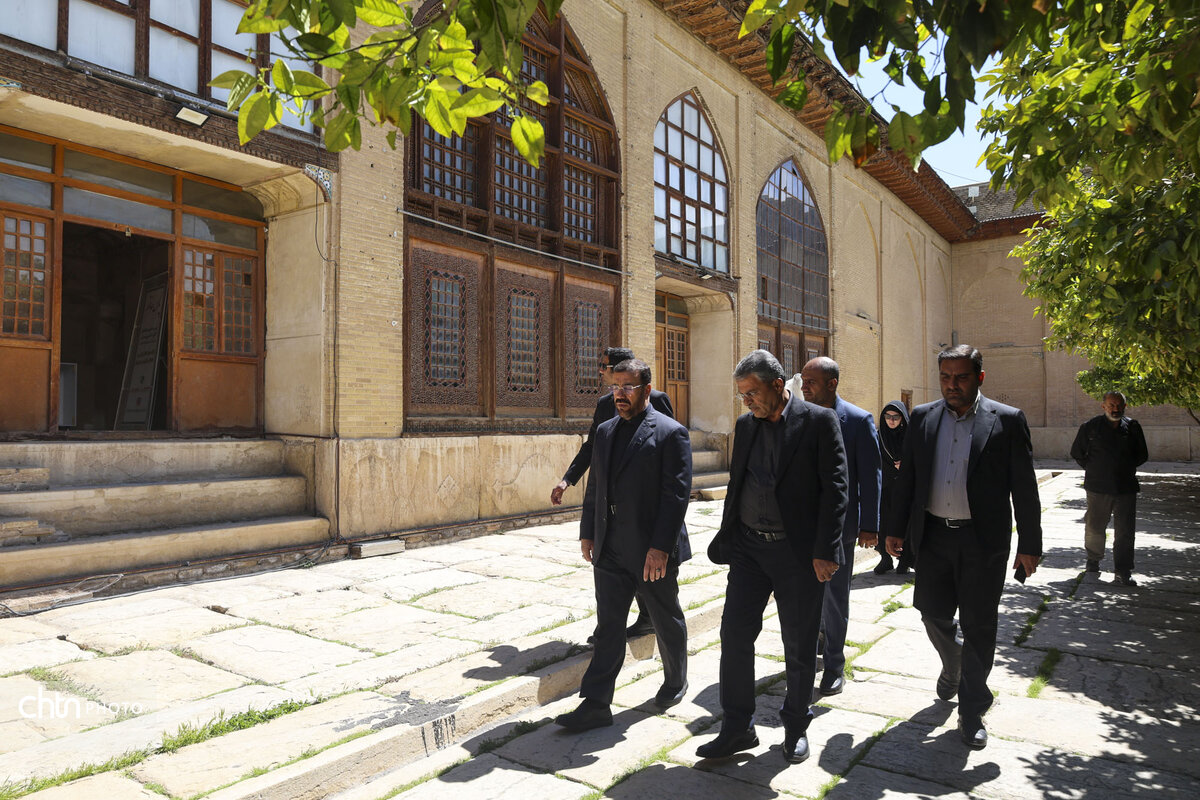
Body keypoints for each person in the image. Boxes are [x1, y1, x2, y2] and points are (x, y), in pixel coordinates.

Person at [886, 344, 1042, 750]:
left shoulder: (1007, 421)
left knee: (979, 626)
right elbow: (908, 479)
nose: (951, 385)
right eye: (945, 377)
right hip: (934, 537)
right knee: (931, 613)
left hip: (982, 542)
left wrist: (1030, 543)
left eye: (961, 377)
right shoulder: (923, 418)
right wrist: (895, 528)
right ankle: (953, 661)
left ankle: (972, 710)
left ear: (980, 377)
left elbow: (1024, 487)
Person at [697, 350, 848, 764]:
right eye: (741, 395)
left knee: (798, 644)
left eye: (752, 393)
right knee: (735, 635)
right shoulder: (746, 425)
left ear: (778, 385)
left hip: (797, 554)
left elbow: (836, 490)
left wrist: (825, 550)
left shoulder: (819, 422)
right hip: (749, 550)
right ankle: (737, 727)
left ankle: (796, 725)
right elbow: (738, 481)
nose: (746, 401)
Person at [555, 358, 693, 732]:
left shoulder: (671, 433)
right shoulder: (605, 431)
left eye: (628, 387)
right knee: (609, 624)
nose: (619, 394)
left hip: (650, 549)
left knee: (664, 616)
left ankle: (676, 679)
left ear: (646, 390)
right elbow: (595, 487)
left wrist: (660, 547)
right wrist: (588, 532)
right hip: (610, 545)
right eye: (615, 386)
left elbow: (676, 496)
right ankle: (596, 703)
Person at [551, 346, 675, 639]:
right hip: (613, 505)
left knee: (651, 577)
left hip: (646, 503)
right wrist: (568, 480)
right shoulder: (605, 404)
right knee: (612, 574)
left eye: (604, 366)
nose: (600, 371)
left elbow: (670, 445)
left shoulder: (656, 399)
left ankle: (651, 621)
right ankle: (608, 631)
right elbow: (592, 447)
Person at [792, 357, 880, 697]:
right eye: (804, 381)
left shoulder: (857, 421)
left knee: (834, 597)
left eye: (812, 381)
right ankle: (810, 648)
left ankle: (834, 665)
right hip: (803, 525)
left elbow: (870, 477)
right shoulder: (797, 417)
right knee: (803, 594)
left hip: (839, 527)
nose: (805, 387)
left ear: (832, 384)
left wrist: (870, 524)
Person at [1070, 391, 1149, 586]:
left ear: (1125, 406)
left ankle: (1123, 570)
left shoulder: (1132, 427)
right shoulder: (1090, 427)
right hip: (1097, 487)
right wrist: (1097, 469)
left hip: (1125, 487)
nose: (1115, 409)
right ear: (1103, 406)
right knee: (1094, 527)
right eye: (1111, 405)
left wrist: (1124, 468)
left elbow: (1142, 455)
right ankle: (1093, 560)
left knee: (1125, 531)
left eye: (1119, 405)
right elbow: (1077, 453)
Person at [874, 400, 914, 574]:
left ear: (902, 418)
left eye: (896, 417)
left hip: (905, 488)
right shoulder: (878, 436)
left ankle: (904, 560)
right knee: (883, 523)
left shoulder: (911, 436)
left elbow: (919, 458)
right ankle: (885, 558)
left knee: (905, 523)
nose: (891, 420)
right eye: (888, 417)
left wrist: (906, 465)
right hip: (885, 487)